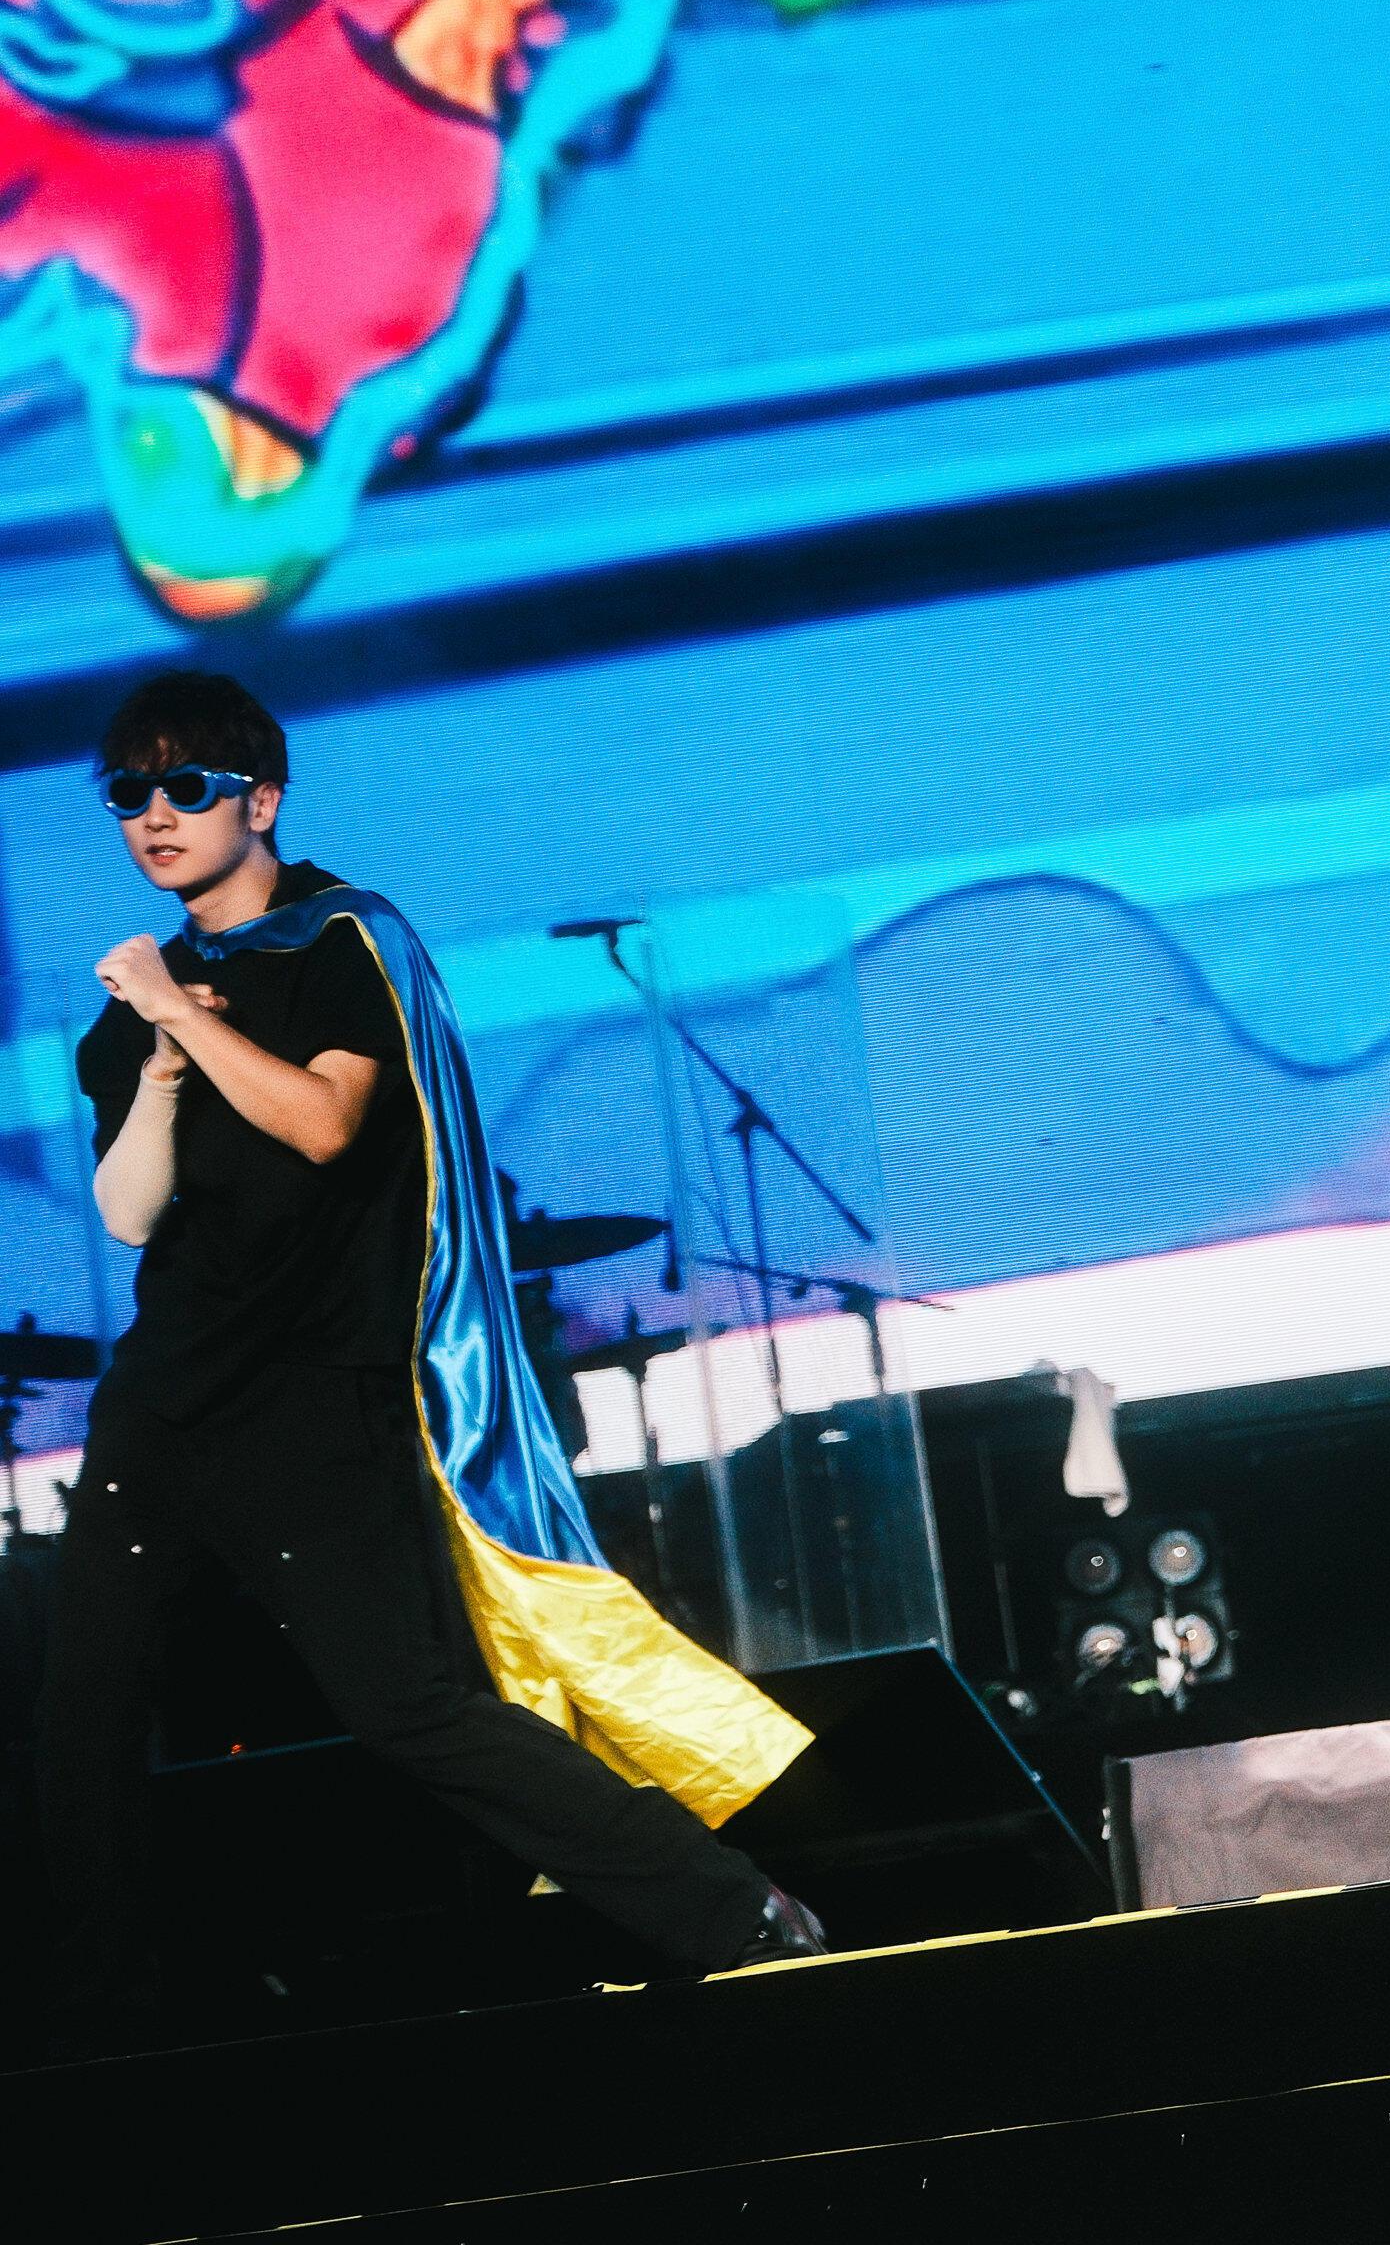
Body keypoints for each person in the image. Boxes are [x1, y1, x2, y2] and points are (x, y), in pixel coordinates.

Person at [39, 671, 826, 2039]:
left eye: (187, 789)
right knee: (80, 1721)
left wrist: (187, 1018)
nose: (154, 817)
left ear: (260, 801)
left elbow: (324, 1123)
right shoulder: (138, 1006)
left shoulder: (346, 940)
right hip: (162, 1412)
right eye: (129, 794)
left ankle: (731, 1912)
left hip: (312, 1408)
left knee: (408, 1707)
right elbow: (127, 1212)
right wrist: (160, 1060)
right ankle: (93, 2031)